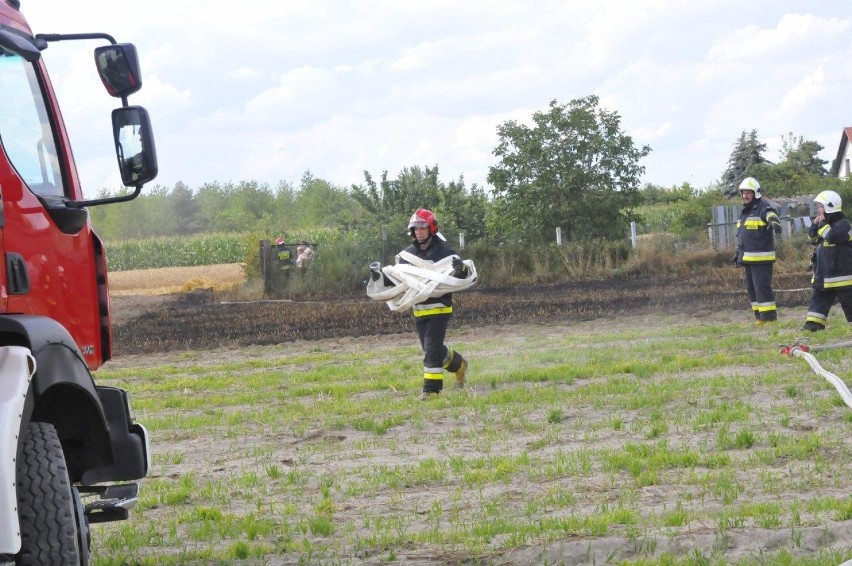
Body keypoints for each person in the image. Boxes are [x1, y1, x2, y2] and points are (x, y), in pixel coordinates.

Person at [374, 209, 472, 398]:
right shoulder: (407, 255)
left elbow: (463, 274)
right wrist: (379, 277)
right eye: (415, 228)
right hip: (419, 309)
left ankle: (432, 390)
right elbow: (399, 279)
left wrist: (461, 269)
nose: (418, 232)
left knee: (432, 348)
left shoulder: (444, 252)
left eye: (422, 227)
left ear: (431, 228)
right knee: (431, 349)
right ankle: (459, 364)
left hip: (440, 307)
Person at [733, 177, 782, 325]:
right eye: (743, 193)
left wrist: (774, 222)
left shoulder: (762, 206)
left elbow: (770, 214)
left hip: (761, 259)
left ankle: (769, 318)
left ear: (755, 193)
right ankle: (759, 317)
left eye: (748, 193)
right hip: (748, 258)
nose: (745, 196)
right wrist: (738, 253)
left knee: (762, 288)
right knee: (752, 289)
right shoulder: (745, 212)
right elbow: (743, 235)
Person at [802, 190, 852, 332]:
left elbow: (831, 236)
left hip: (843, 278)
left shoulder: (843, 224)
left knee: (850, 303)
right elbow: (812, 239)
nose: (818, 210)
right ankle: (813, 326)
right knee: (818, 302)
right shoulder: (825, 224)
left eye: (821, 207)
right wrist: (814, 225)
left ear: (830, 207)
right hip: (824, 276)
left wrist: (822, 223)